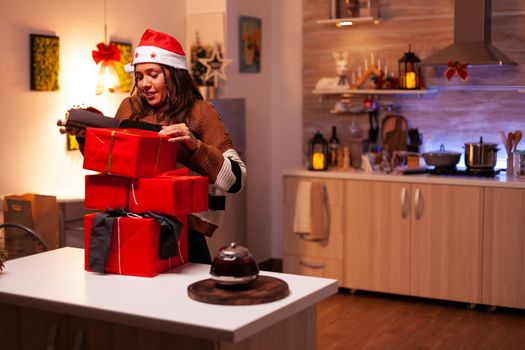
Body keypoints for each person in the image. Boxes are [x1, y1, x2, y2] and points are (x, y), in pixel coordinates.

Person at [58, 28, 246, 264]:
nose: (144, 84)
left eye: (153, 74)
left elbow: (237, 180)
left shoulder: (200, 112)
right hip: (131, 226)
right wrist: (85, 136)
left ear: (173, 74)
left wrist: (194, 145)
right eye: (139, 76)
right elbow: (115, 166)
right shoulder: (130, 108)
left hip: (181, 234)